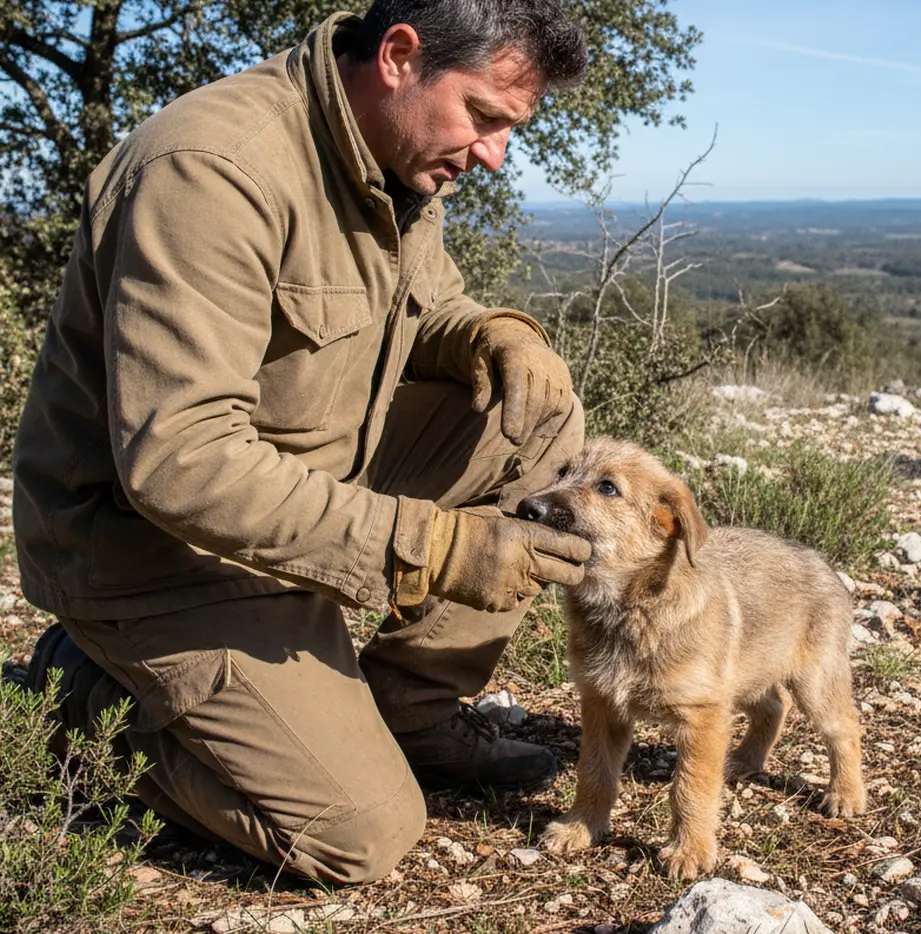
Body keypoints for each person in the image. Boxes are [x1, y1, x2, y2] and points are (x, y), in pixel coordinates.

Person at [13, 0, 591, 884]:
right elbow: (180, 460)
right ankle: (71, 695)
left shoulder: (394, 153)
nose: (492, 154)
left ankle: (406, 713)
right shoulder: (213, 170)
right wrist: (431, 546)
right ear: (399, 56)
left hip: (299, 485)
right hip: (151, 551)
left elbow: (423, 307)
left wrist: (489, 332)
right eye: (483, 115)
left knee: (539, 423)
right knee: (357, 833)